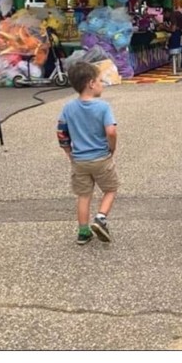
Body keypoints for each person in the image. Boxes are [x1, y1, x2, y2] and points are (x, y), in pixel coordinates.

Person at [56, 61, 118, 245]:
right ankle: (100, 218)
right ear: (91, 83)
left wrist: (69, 152)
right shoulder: (103, 107)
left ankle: (83, 232)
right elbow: (111, 132)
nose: (102, 84)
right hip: (101, 158)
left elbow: (61, 132)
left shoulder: (68, 107)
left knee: (84, 195)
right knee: (110, 189)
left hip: (79, 160)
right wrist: (111, 147)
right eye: (100, 80)